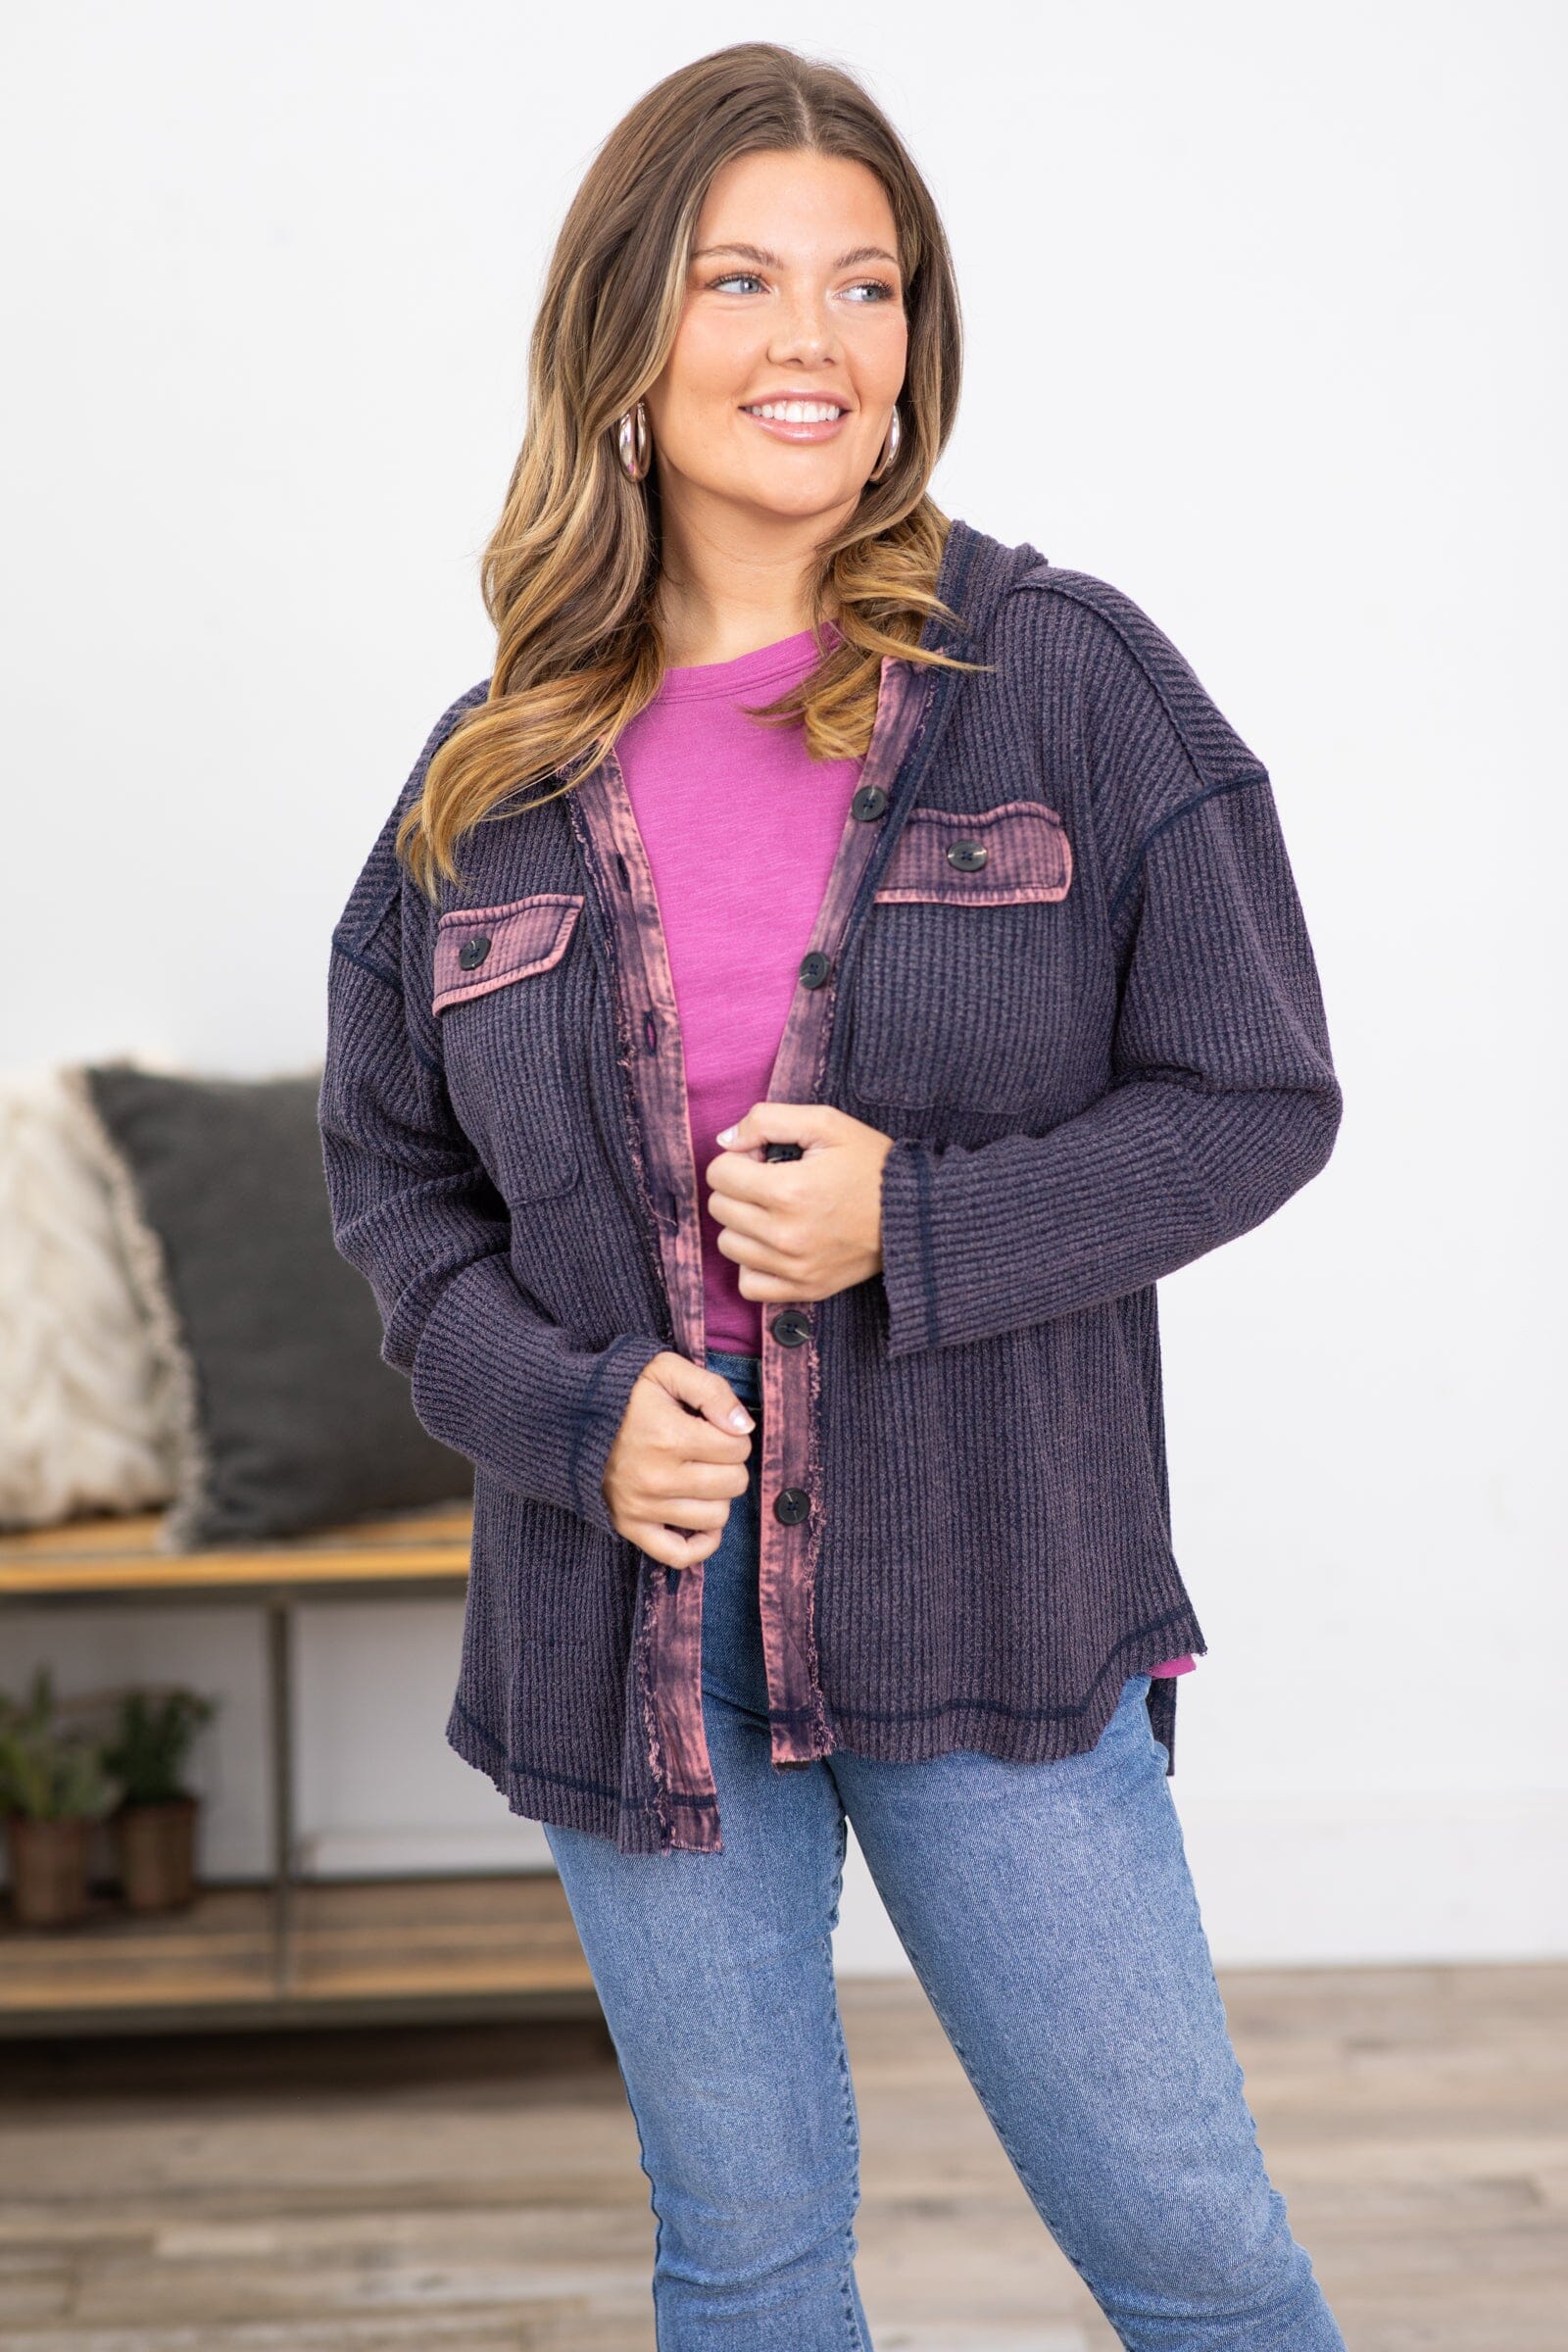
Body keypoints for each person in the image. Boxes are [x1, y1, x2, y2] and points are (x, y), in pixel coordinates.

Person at [318, 39, 1348, 2351]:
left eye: (865, 285)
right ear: (622, 333)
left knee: (1189, 2255)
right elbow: (395, 1194)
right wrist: (572, 1413)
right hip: (629, 1617)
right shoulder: (486, 776)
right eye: (742, 280)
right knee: (748, 2264)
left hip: (991, 1579)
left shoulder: (1059, 678)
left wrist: (925, 1227)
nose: (816, 340)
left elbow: (1255, 1093)